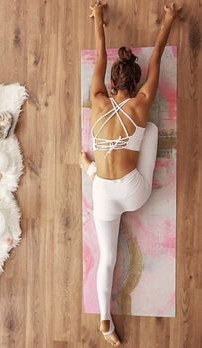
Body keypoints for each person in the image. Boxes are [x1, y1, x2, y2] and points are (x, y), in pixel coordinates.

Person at [79, 1, 182, 346]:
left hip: (105, 194)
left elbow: (100, 56)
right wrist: (168, 19)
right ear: (136, 85)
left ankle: (105, 323)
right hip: (135, 193)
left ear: (110, 84)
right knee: (149, 131)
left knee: (106, 258)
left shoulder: (96, 99)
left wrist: (99, 18)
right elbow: (155, 60)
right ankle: (92, 167)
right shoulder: (141, 104)